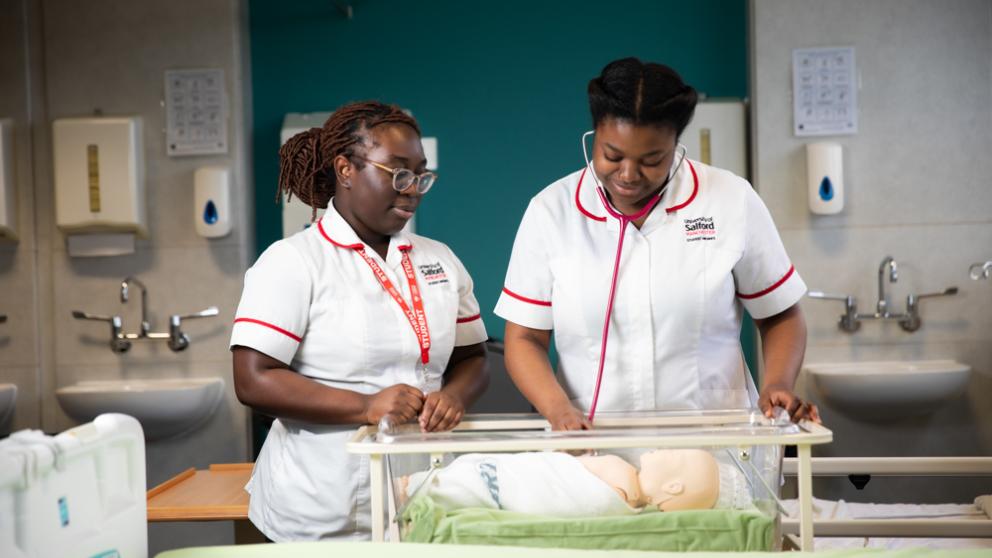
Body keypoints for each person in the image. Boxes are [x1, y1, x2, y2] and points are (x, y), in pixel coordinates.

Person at [495, 58, 819, 431]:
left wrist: (777, 382)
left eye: (652, 160)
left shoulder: (730, 199)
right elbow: (524, 338)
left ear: (676, 145)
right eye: (612, 156)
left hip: (714, 447)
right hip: (594, 449)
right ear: (594, 137)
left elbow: (780, 314)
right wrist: (556, 409)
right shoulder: (551, 212)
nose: (629, 175)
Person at [230, 101, 489, 541]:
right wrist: (366, 406)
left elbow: (474, 358)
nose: (413, 189)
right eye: (398, 173)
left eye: (422, 175)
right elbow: (253, 380)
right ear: (345, 169)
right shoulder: (293, 262)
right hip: (318, 506)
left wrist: (454, 397)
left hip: (420, 495)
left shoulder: (439, 260)